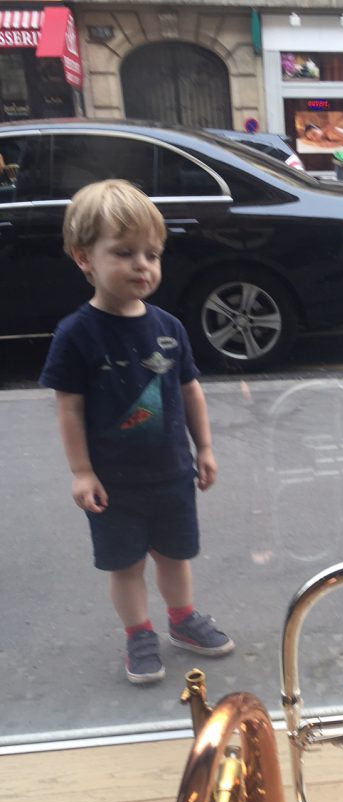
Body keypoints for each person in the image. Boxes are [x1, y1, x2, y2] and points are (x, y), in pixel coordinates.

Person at [39, 179, 234, 685]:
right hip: (113, 484)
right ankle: (138, 632)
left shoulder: (168, 325)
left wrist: (205, 447)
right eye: (124, 253)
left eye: (152, 253)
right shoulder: (76, 334)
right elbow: (69, 409)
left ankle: (182, 618)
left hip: (171, 472)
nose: (142, 265)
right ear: (84, 257)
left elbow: (189, 390)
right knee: (125, 566)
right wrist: (81, 472)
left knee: (175, 556)